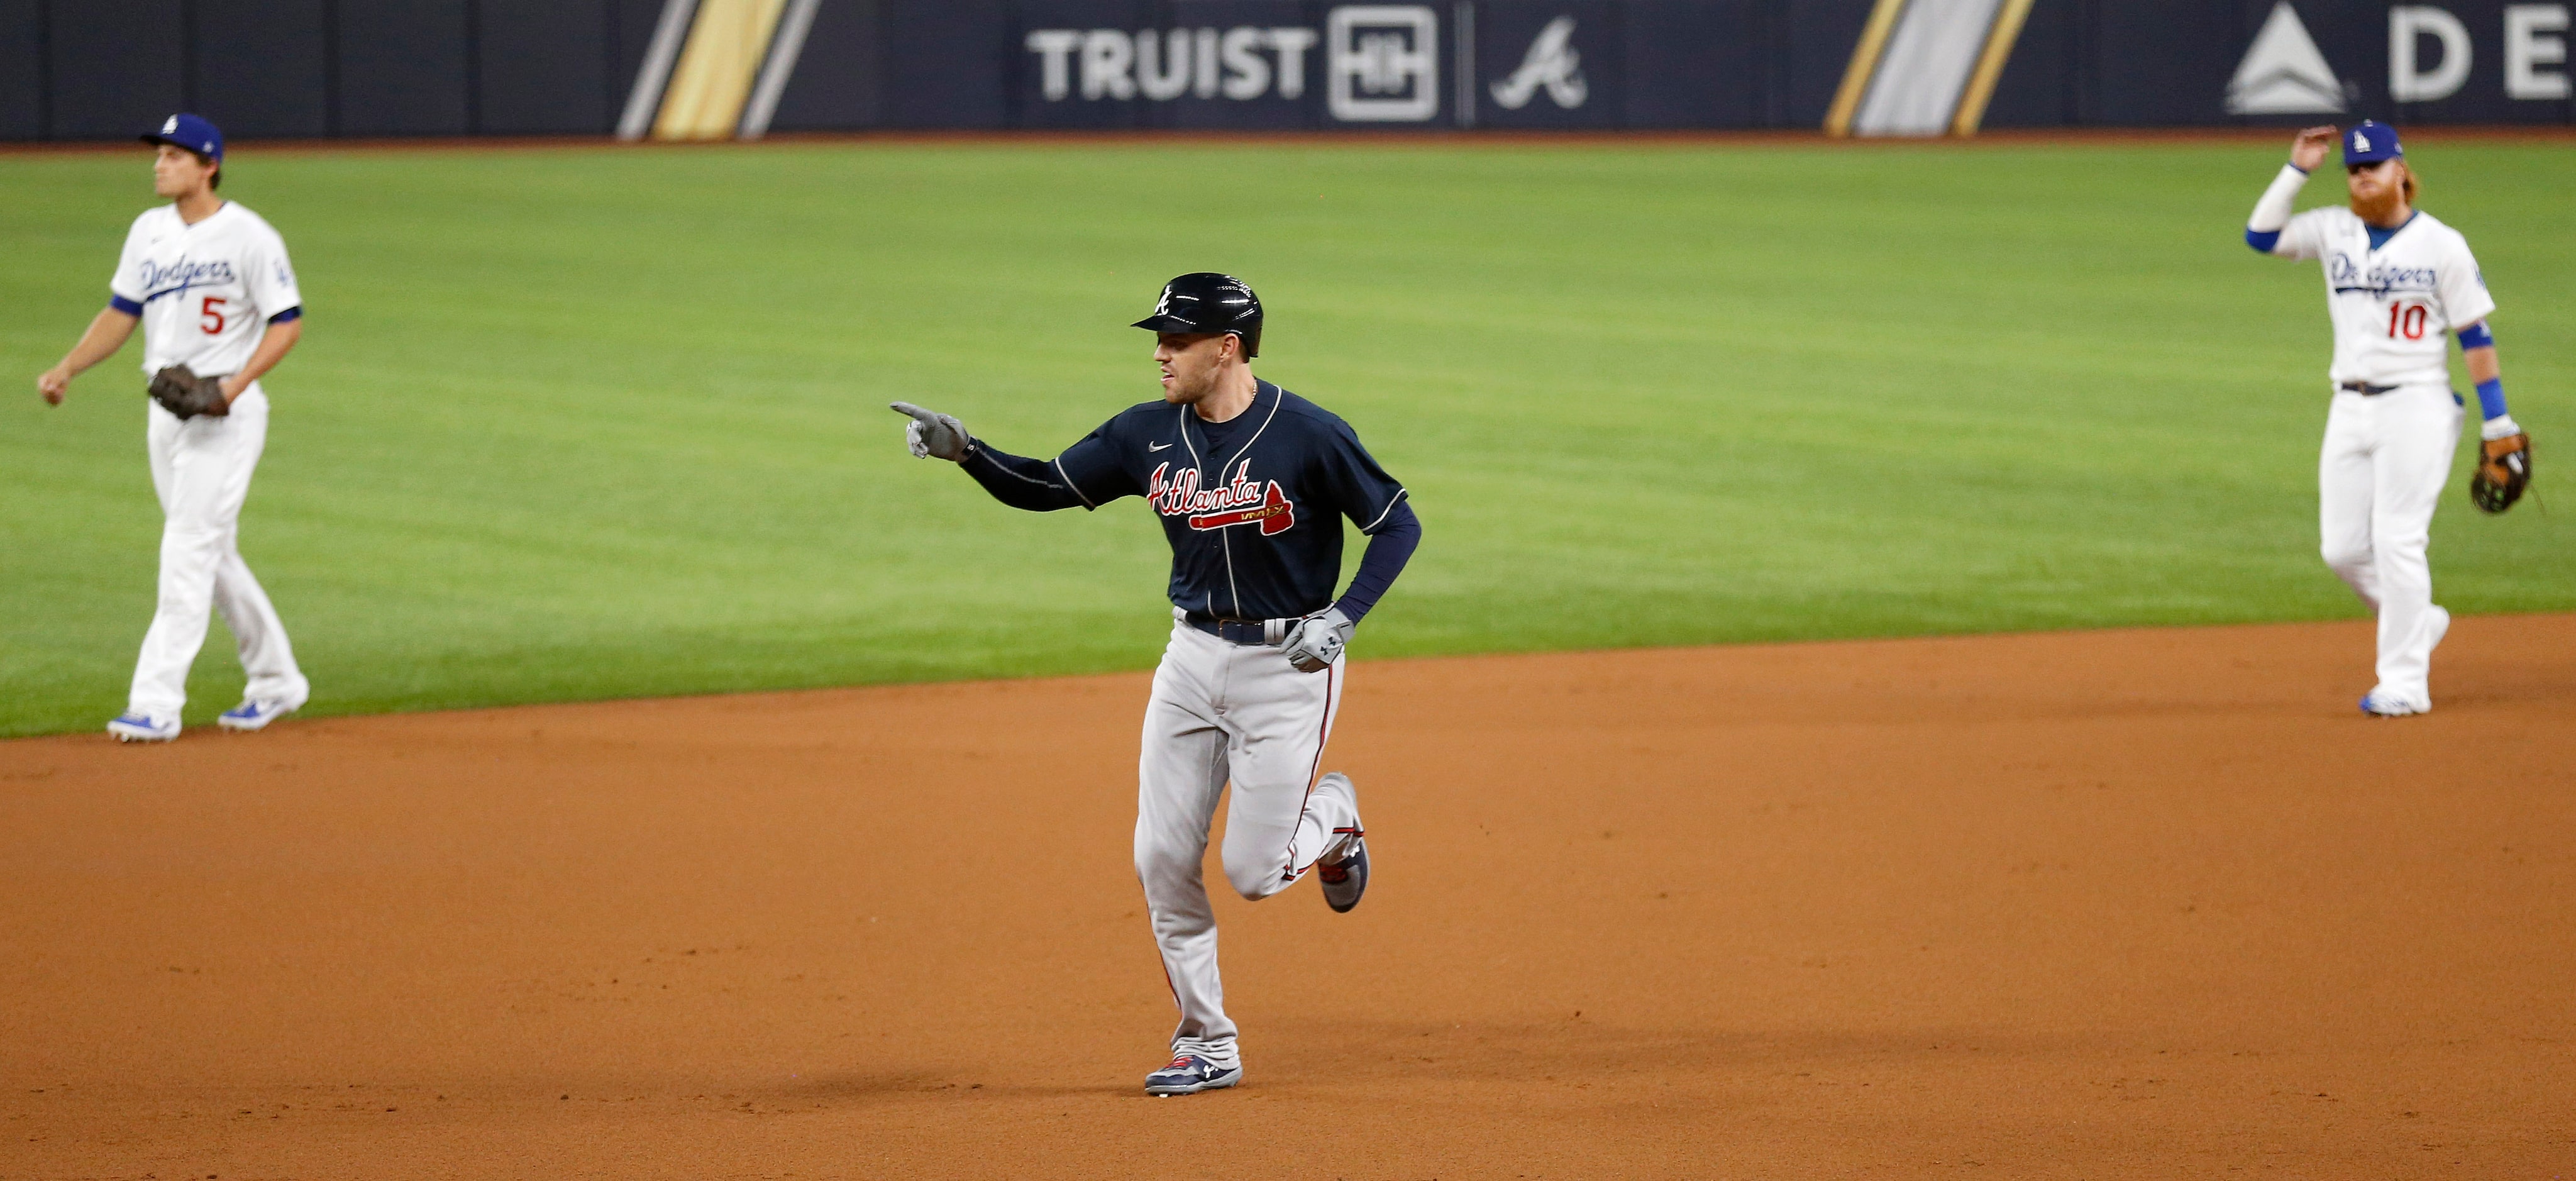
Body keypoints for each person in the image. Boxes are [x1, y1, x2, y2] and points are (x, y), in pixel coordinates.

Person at [888, 272, 1422, 1095]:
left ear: (1228, 348)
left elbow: (1395, 521)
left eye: (1177, 339)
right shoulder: (1146, 435)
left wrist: (1345, 615)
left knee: (1253, 871)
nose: (1159, 353)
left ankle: (1336, 816)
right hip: (1190, 660)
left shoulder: (1309, 434)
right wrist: (970, 453)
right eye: (1160, 337)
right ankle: (1207, 1040)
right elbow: (1047, 487)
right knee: (1161, 857)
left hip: (1289, 669)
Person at [36, 114, 312, 741]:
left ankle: (156, 703)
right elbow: (121, 312)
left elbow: (287, 322)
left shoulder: (249, 236)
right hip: (165, 414)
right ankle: (276, 681)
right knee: (210, 554)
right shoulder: (148, 233)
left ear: (208, 164)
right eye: (158, 155)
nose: (159, 165)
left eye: (173, 156)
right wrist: (68, 367)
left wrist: (234, 386)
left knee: (186, 549)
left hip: (226, 417)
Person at [2242, 121, 2531, 716]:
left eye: (2372, 166)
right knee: (2342, 550)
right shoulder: (2332, 229)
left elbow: (2474, 334)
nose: (2361, 176)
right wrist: (2297, 168)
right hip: (2347, 404)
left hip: (2417, 404)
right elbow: (2259, 236)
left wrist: (2497, 421)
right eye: (2353, 168)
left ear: (2401, 171)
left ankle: (2404, 683)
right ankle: (2417, 621)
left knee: (2398, 538)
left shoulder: (2442, 244)